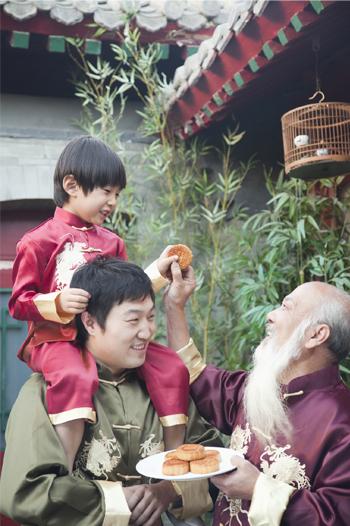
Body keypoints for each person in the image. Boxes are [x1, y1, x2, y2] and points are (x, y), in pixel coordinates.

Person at [8, 135, 188, 473]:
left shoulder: (112, 242)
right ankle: (64, 468)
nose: (113, 202)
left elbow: (125, 294)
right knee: (75, 376)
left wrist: (159, 274)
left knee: (172, 367)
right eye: (106, 191)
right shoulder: (36, 241)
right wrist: (57, 302)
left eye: (117, 194)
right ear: (72, 185)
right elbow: (18, 303)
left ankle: (176, 467)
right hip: (57, 341)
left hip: (105, 338)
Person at [0, 257, 222, 526]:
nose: (146, 331)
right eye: (133, 320)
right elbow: (26, 491)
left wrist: (169, 491)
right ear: (90, 322)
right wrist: (118, 501)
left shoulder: (166, 387)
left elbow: (210, 459)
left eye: (151, 317)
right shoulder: (44, 392)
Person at [164, 264, 350, 526]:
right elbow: (193, 374)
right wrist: (174, 306)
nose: (271, 316)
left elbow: (337, 517)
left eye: (287, 307)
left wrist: (258, 488)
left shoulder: (342, 421)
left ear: (316, 335)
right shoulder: (257, 389)